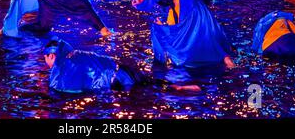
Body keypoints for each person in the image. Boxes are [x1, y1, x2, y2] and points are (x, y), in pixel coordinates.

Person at [132, 0, 235, 69]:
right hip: (202, 11)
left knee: (198, 40)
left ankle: (220, 57)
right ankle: (224, 55)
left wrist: (161, 27)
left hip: (195, 16)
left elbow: (175, 33)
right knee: (211, 35)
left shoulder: (180, 8)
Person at [43, 38, 201, 93]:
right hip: (125, 70)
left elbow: (62, 88)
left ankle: (180, 89)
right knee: (152, 85)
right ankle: (182, 87)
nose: (47, 63)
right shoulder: (78, 53)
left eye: (46, 59)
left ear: (51, 55)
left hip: (117, 83)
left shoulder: (62, 68)